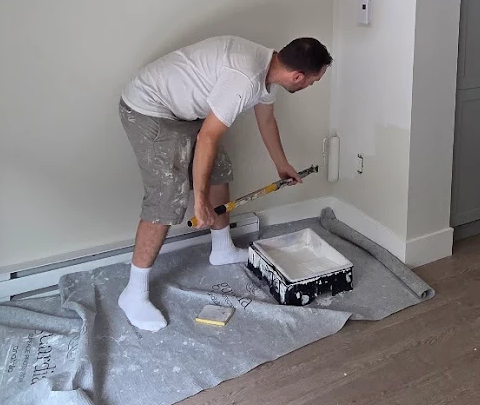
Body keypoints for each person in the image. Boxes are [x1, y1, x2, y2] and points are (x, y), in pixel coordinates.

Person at [116, 35, 332, 330]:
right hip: (149, 108)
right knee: (167, 197)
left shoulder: (269, 70)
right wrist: (200, 201)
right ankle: (134, 293)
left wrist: (281, 164)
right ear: (298, 76)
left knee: (219, 169)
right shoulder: (244, 79)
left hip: (180, 111)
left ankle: (222, 249)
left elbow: (266, 121)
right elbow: (208, 136)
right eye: (313, 81)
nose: (311, 86)